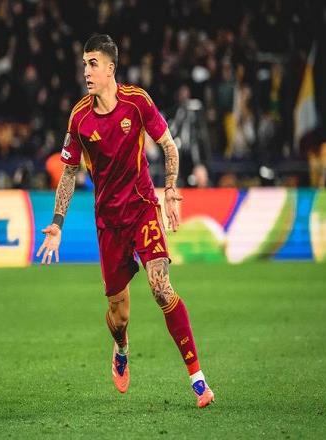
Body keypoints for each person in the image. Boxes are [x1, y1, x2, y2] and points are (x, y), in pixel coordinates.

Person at [37, 34, 214, 408]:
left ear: (110, 68)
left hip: (142, 208)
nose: (86, 71)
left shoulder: (137, 102)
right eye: (84, 64)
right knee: (119, 316)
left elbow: (169, 146)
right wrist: (57, 223)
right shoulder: (80, 117)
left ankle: (198, 380)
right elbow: (69, 172)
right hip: (108, 222)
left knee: (161, 287)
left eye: (93, 64)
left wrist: (170, 191)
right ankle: (121, 348)